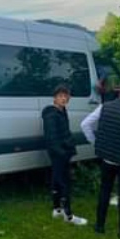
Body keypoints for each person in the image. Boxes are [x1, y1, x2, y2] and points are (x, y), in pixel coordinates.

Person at [82, 84, 120, 239]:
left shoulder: (104, 107)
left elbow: (85, 124)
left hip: (107, 158)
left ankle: (99, 226)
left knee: (104, 191)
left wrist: (96, 143)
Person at [42, 84, 87, 226]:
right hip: (59, 153)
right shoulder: (51, 114)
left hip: (63, 152)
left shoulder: (62, 111)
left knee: (56, 180)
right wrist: (62, 153)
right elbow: (51, 137)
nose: (64, 98)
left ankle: (57, 210)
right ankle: (69, 216)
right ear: (54, 98)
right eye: (60, 96)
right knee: (65, 183)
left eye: (66, 96)